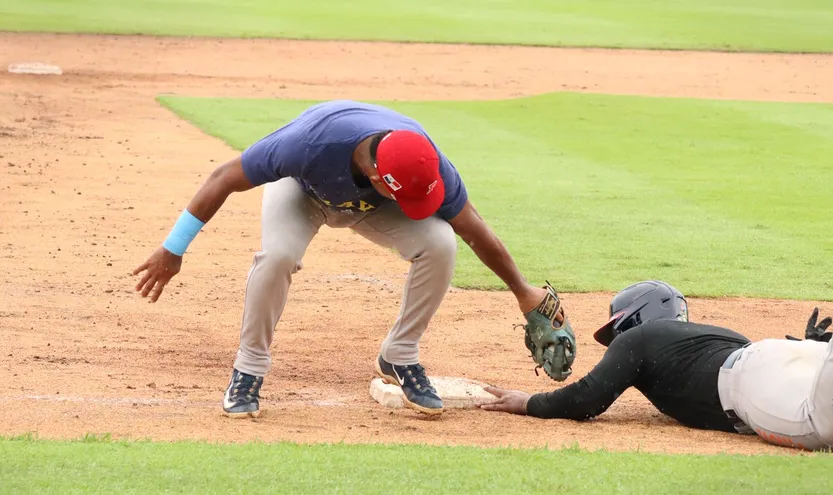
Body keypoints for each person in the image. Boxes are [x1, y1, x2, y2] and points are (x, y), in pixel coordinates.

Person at [132, 100, 566, 418]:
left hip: (370, 204)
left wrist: (522, 292)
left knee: (441, 242)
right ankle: (248, 369)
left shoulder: (425, 162)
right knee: (278, 255)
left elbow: (472, 227)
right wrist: (173, 249)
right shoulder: (307, 144)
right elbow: (223, 177)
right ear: (378, 175)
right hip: (302, 191)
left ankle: (399, 354)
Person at [479, 259, 833, 452]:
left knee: (824, 433)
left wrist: (529, 402)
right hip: (792, 360)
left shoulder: (639, 339)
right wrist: (818, 352)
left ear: (633, 319)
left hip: (753, 380)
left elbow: (587, 399)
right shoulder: (715, 336)